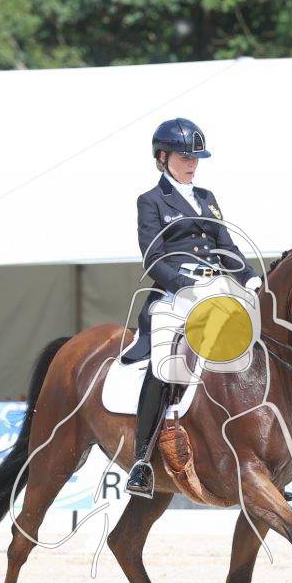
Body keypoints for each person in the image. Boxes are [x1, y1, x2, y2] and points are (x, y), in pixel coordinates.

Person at [123, 117, 260, 497]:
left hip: (217, 287)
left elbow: (226, 246)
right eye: (185, 157)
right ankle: (141, 460)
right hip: (176, 292)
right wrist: (184, 285)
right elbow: (152, 257)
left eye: (195, 158)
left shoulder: (207, 198)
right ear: (162, 157)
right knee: (164, 360)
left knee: (259, 340)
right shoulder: (151, 201)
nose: (192, 164)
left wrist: (250, 278)